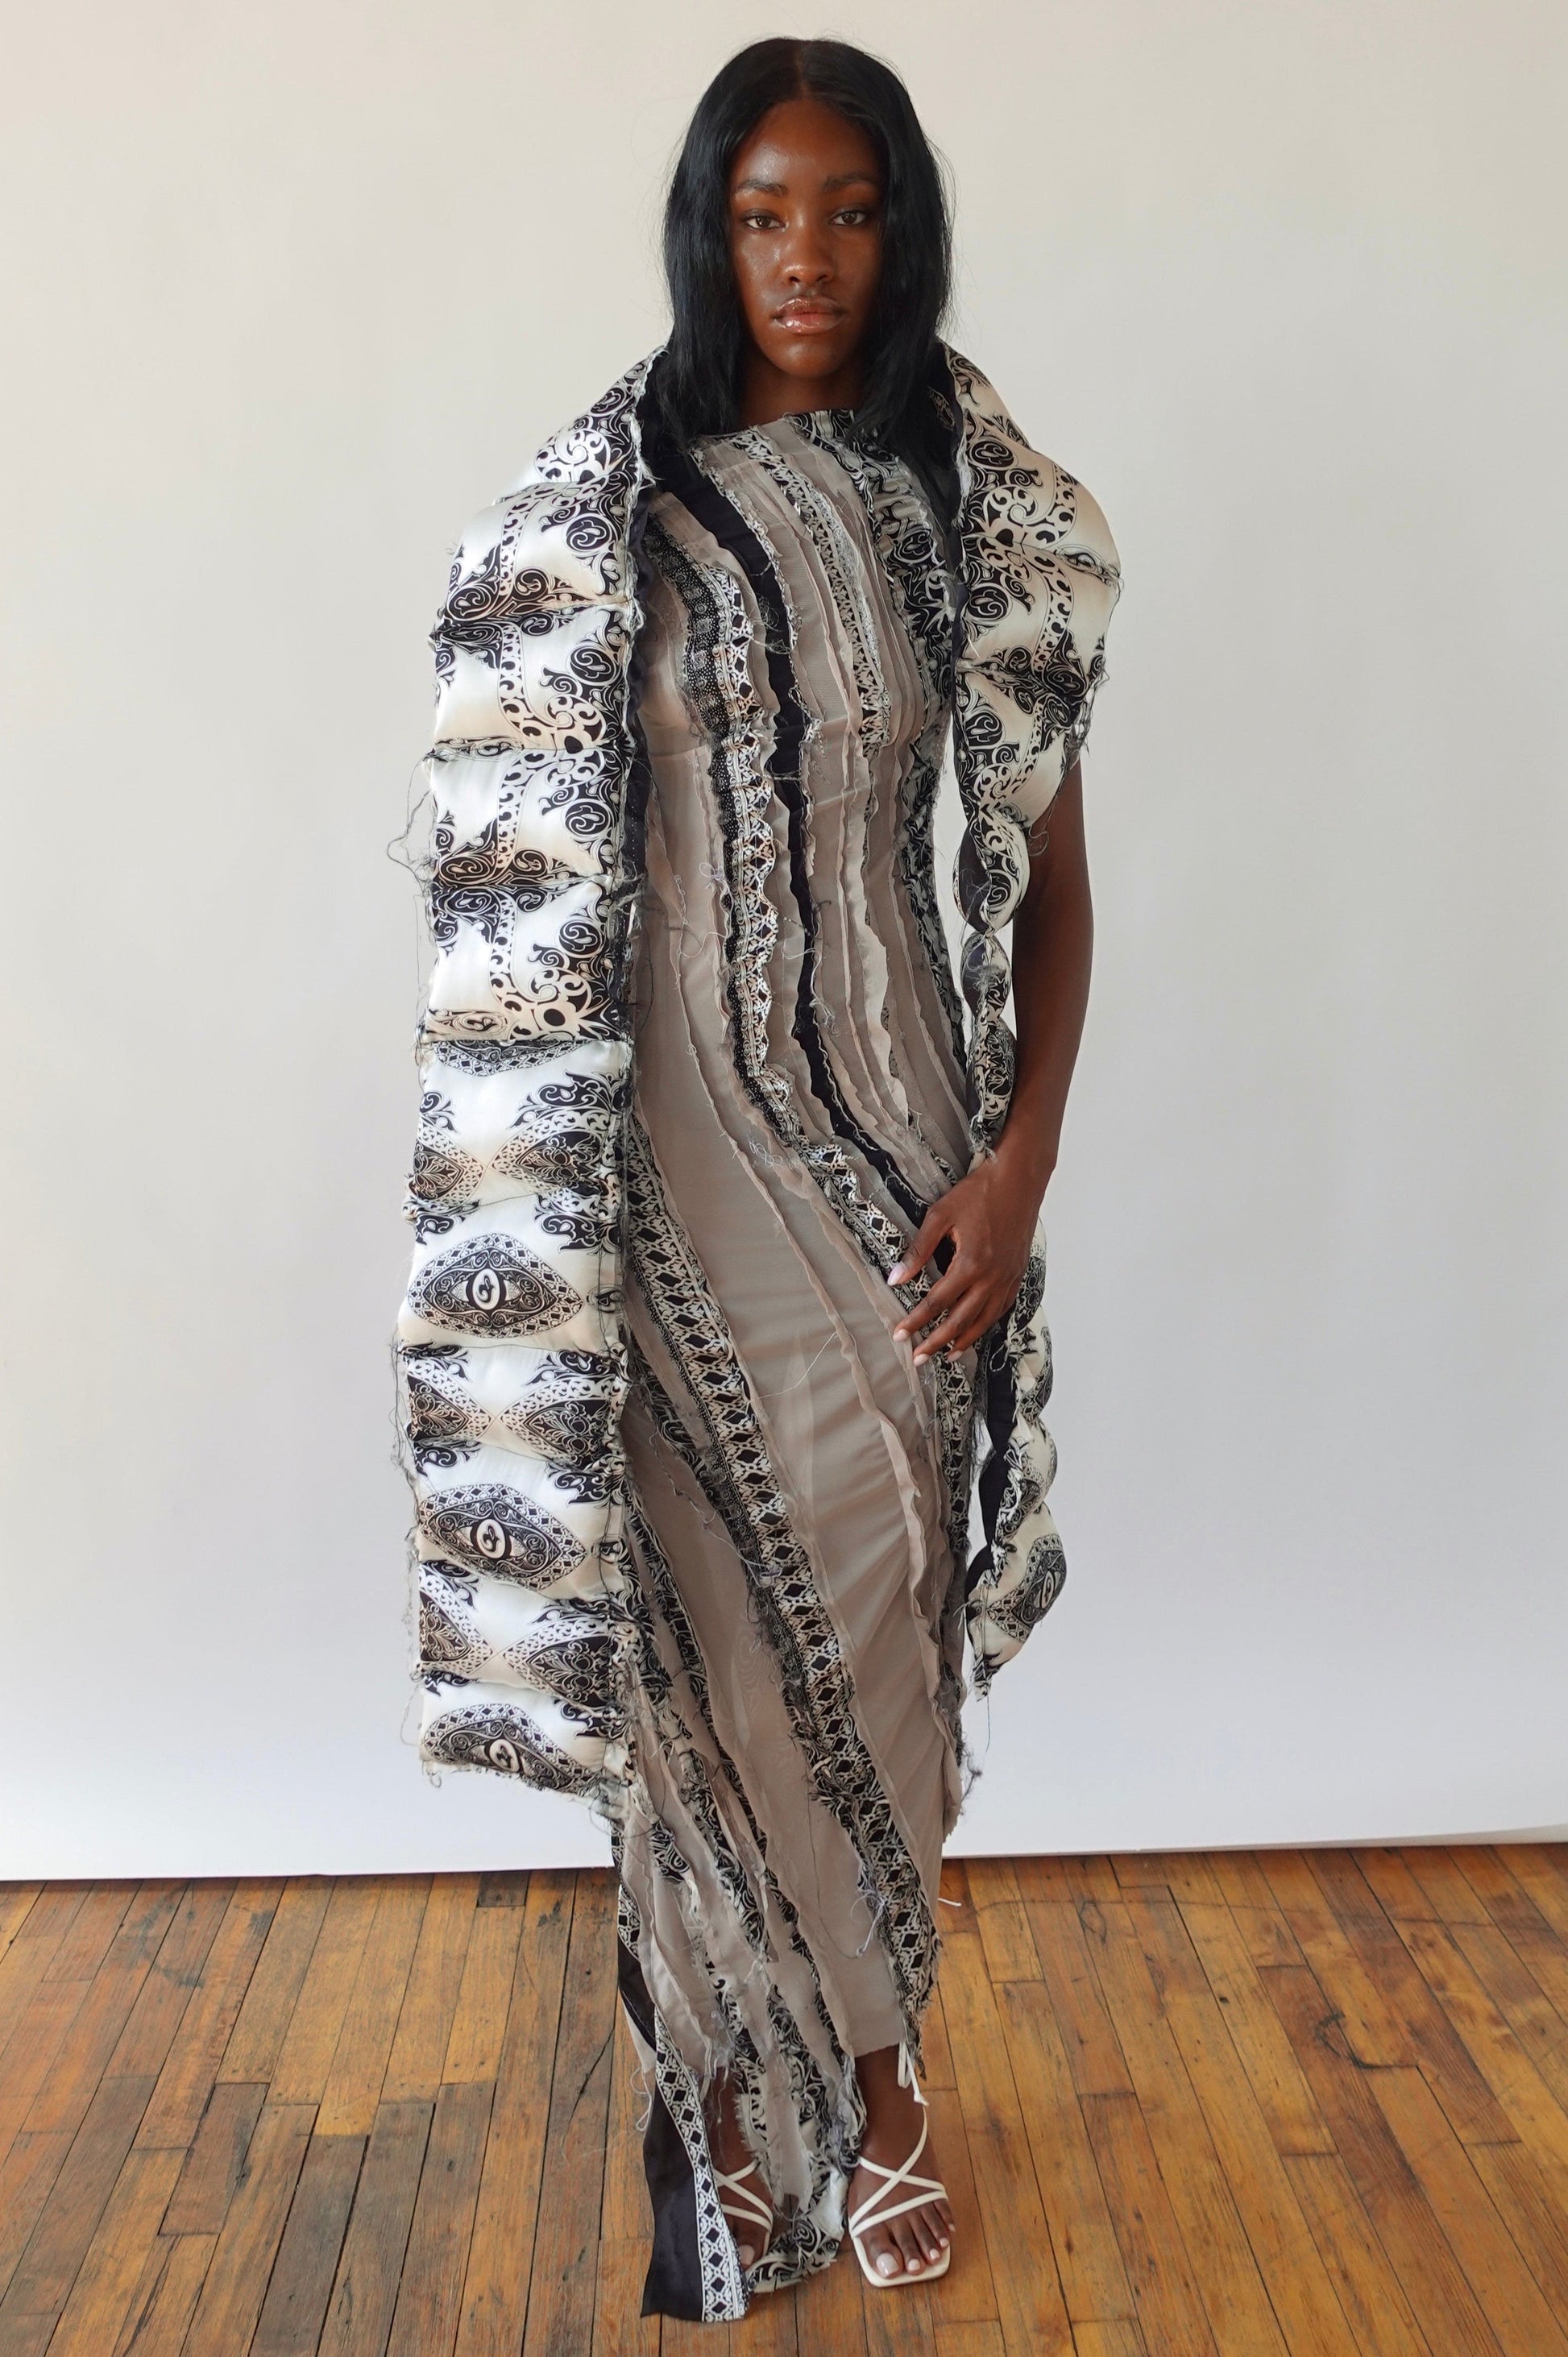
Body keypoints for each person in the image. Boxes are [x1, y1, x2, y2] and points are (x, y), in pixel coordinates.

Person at [396, 35, 1120, 2323]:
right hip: (658, 1189)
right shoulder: (598, 513)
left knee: (882, 1638)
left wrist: (1016, 1166)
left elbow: (1052, 885)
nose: (806, 256)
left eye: (849, 209)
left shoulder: (974, 513)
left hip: (901, 1170)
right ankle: (718, 2086)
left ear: (904, 232)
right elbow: (506, 881)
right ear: (707, 232)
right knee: (698, 1658)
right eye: (761, 212)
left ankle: (884, 2080)